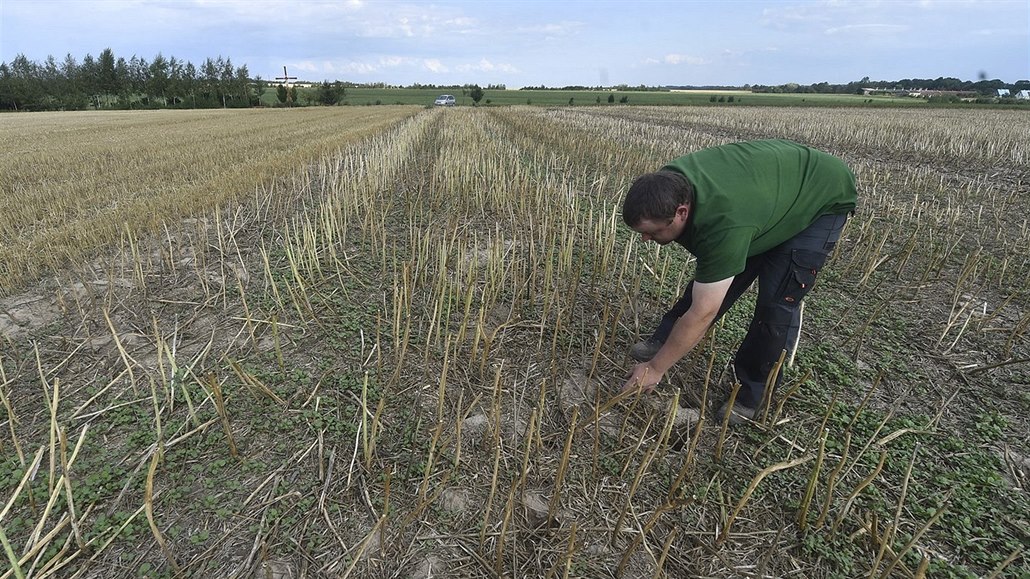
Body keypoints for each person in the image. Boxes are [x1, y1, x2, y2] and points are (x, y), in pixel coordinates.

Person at [620, 139, 857, 424]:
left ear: (681, 212)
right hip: (765, 196)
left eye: (651, 232)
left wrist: (656, 369)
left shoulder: (724, 223)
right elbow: (713, 275)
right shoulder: (668, 185)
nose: (646, 240)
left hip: (821, 194)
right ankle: (665, 339)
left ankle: (752, 395)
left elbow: (704, 311)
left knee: (775, 305)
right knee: (716, 273)